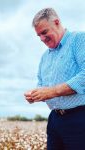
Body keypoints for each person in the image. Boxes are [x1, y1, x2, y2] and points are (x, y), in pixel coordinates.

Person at [24, 8, 85, 150]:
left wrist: (52, 92)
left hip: (80, 118)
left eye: (44, 32)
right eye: (38, 35)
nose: (42, 39)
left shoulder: (79, 40)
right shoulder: (45, 57)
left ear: (57, 22)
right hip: (55, 120)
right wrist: (36, 95)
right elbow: (42, 85)